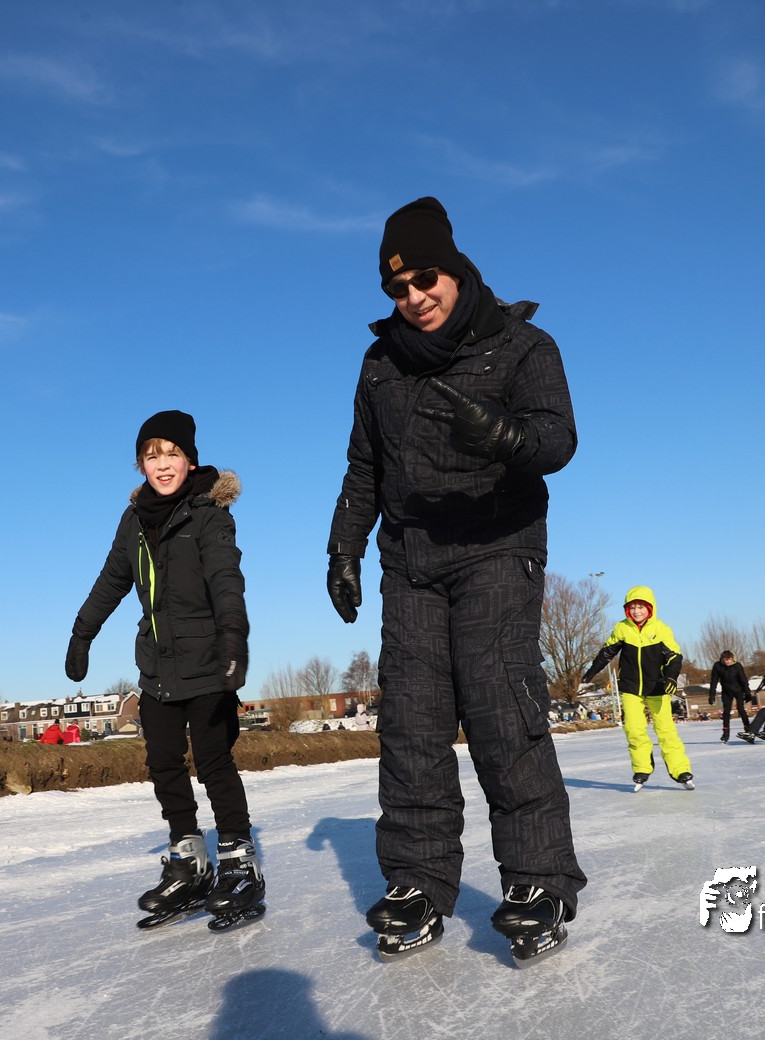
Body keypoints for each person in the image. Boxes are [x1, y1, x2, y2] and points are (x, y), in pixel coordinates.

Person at [325, 196, 585, 965]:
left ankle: (538, 880)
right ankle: (416, 880)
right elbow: (365, 466)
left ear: (455, 268)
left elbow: (557, 439)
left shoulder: (522, 345)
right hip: (411, 560)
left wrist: (504, 435)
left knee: (502, 706)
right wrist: (343, 548)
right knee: (410, 722)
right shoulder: (381, 364)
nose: (413, 297)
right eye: (397, 288)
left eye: (424, 279)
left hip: (496, 545)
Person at [65, 410, 264, 928]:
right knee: (163, 763)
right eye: (151, 456)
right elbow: (112, 581)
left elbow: (226, 579)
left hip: (208, 665)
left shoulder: (209, 515)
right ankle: (189, 860)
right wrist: (82, 633)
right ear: (141, 466)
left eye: (172, 453)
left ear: (190, 460)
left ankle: (239, 862)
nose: (163, 464)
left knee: (214, 762)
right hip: (157, 667)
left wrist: (233, 637)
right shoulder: (133, 521)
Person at [581, 587, 694, 789]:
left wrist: (671, 677)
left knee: (666, 731)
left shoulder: (661, 629)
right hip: (631, 686)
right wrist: (592, 671)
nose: (636, 611)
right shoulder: (622, 628)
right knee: (634, 729)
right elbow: (607, 652)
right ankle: (642, 768)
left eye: (641, 607)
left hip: (658, 686)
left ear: (650, 608)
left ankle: (680, 770)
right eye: (632, 607)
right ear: (627, 610)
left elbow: (675, 657)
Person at [709, 650, 753, 744]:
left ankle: (748, 730)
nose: (727, 662)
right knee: (726, 711)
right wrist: (712, 694)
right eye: (725, 659)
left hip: (738, 690)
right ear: (722, 659)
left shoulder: (737, 666)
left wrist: (747, 693)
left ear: (732, 659)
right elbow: (714, 681)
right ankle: (726, 733)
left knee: (741, 709)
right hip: (726, 691)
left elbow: (743, 679)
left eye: (729, 659)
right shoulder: (718, 666)